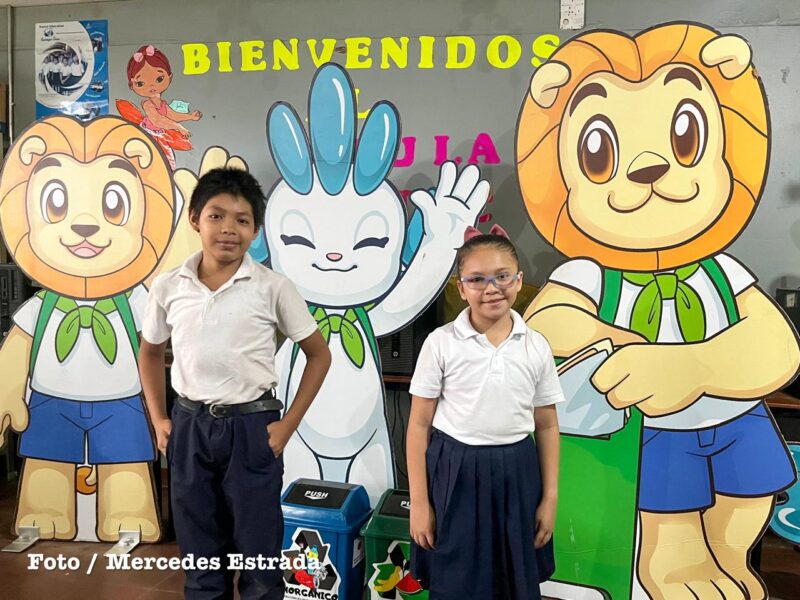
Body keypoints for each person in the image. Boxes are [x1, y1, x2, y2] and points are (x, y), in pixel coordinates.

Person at [139, 167, 332, 599]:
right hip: (190, 426)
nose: (229, 229)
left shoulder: (272, 287)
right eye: (217, 216)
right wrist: (159, 419)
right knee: (201, 556)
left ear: (255, 230)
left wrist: (287, 426)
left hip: (252, 429)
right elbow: (150, 353)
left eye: (242, 220)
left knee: (258, 557)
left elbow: (319, 355)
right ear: (195, 219)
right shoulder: (169, 286)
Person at [406, 224, 563, 600]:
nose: (491, 288)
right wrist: (420, 504)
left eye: (502, 276)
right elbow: (418, 425)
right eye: (477, 279)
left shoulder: (535, 346)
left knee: (514, 580)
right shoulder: (441, 343)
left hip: (518, 472)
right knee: (455, 581)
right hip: (455, 470)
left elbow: (546, 425)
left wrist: (550, 497)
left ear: (518, 281)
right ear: (461, 288)